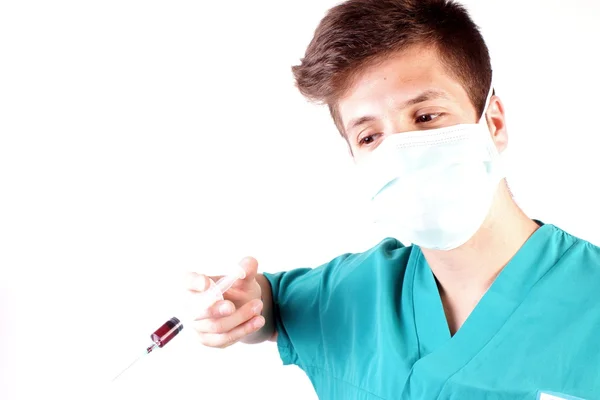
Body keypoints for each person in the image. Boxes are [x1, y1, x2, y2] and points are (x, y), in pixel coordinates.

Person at [186, 0, 600, 399]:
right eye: (370, 137)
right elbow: (274, 305)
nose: (403, 152)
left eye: (425, 116)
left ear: (492, 122)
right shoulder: (360, 291)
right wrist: (241, 306)